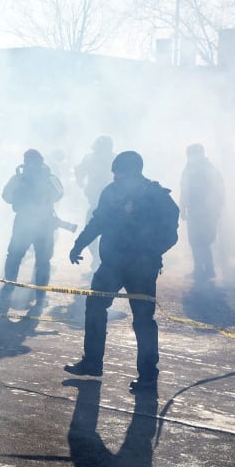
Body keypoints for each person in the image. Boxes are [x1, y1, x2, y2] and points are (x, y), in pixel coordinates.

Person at [65, 151, 180, 393]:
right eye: (115, 174)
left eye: (121, 173)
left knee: (143, 321)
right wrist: (79, 243)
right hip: (112, 265)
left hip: (141, 269)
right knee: (95, 307)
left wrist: (150, 252)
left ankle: (148, 376)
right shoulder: (112, 191)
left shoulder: (156, 195)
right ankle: (92, 363)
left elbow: (171, 232)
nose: (116, 177)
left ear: (134, 172)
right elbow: (97, 221)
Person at [0, 148, 64, 306]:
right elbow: (60, 194)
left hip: (28, 222)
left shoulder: (21, 177)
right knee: (41, 261)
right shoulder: (47, 177)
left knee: (15, 257)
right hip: (40, 223)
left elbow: (6, 196)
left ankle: (9, 290)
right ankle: (39, 296)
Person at [179, 143, 224, 282]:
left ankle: (206, 269)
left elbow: (218, 191)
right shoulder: (191, 169)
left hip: (205, 211)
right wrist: (183, 208)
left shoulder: (208, 169)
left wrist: (216, 209)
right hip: (196, 210)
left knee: (202, 240)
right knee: (196, 240)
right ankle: (203, 269)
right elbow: (184, 190)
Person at [74, 136, 115, 271]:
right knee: (91, 234)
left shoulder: (114, 159)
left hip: (114, 205)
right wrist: (81, 182)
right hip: (95, 203)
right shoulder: (90, 159)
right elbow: (79, 171)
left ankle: (103, 263)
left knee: (109, 236)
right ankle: (97, 260)